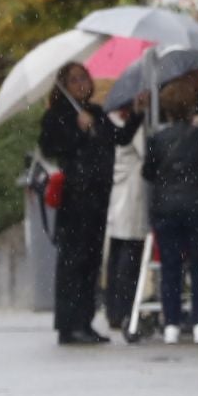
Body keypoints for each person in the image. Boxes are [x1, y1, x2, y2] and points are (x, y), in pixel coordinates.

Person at [38, 63, 143, 344]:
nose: (81, 84)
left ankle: (84, 320)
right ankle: (69, 324)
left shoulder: (95, 112)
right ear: (64, 86)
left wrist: (136, 113)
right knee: (74, 261)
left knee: (92, 261)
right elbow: (51, 147)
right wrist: (78, 130)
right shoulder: (57, 115)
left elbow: (119, 138)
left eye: (83, 78)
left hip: (98, 196)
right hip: (76, 198)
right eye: (74, 80)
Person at [142, 79, 198, 345]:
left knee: (170, 266)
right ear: (192, 108)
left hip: (166, 207)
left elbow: (148, 172)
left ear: (167, 109)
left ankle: (171, 324)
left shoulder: (157, 140)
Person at [103, 108, 148, 335]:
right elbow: (146, 153)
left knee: (116, 252)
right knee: (130, 253)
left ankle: (113, 309)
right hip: (132, 192)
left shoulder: (109, 121)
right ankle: (124, 308)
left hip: (117, 192)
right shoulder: (132, 125)